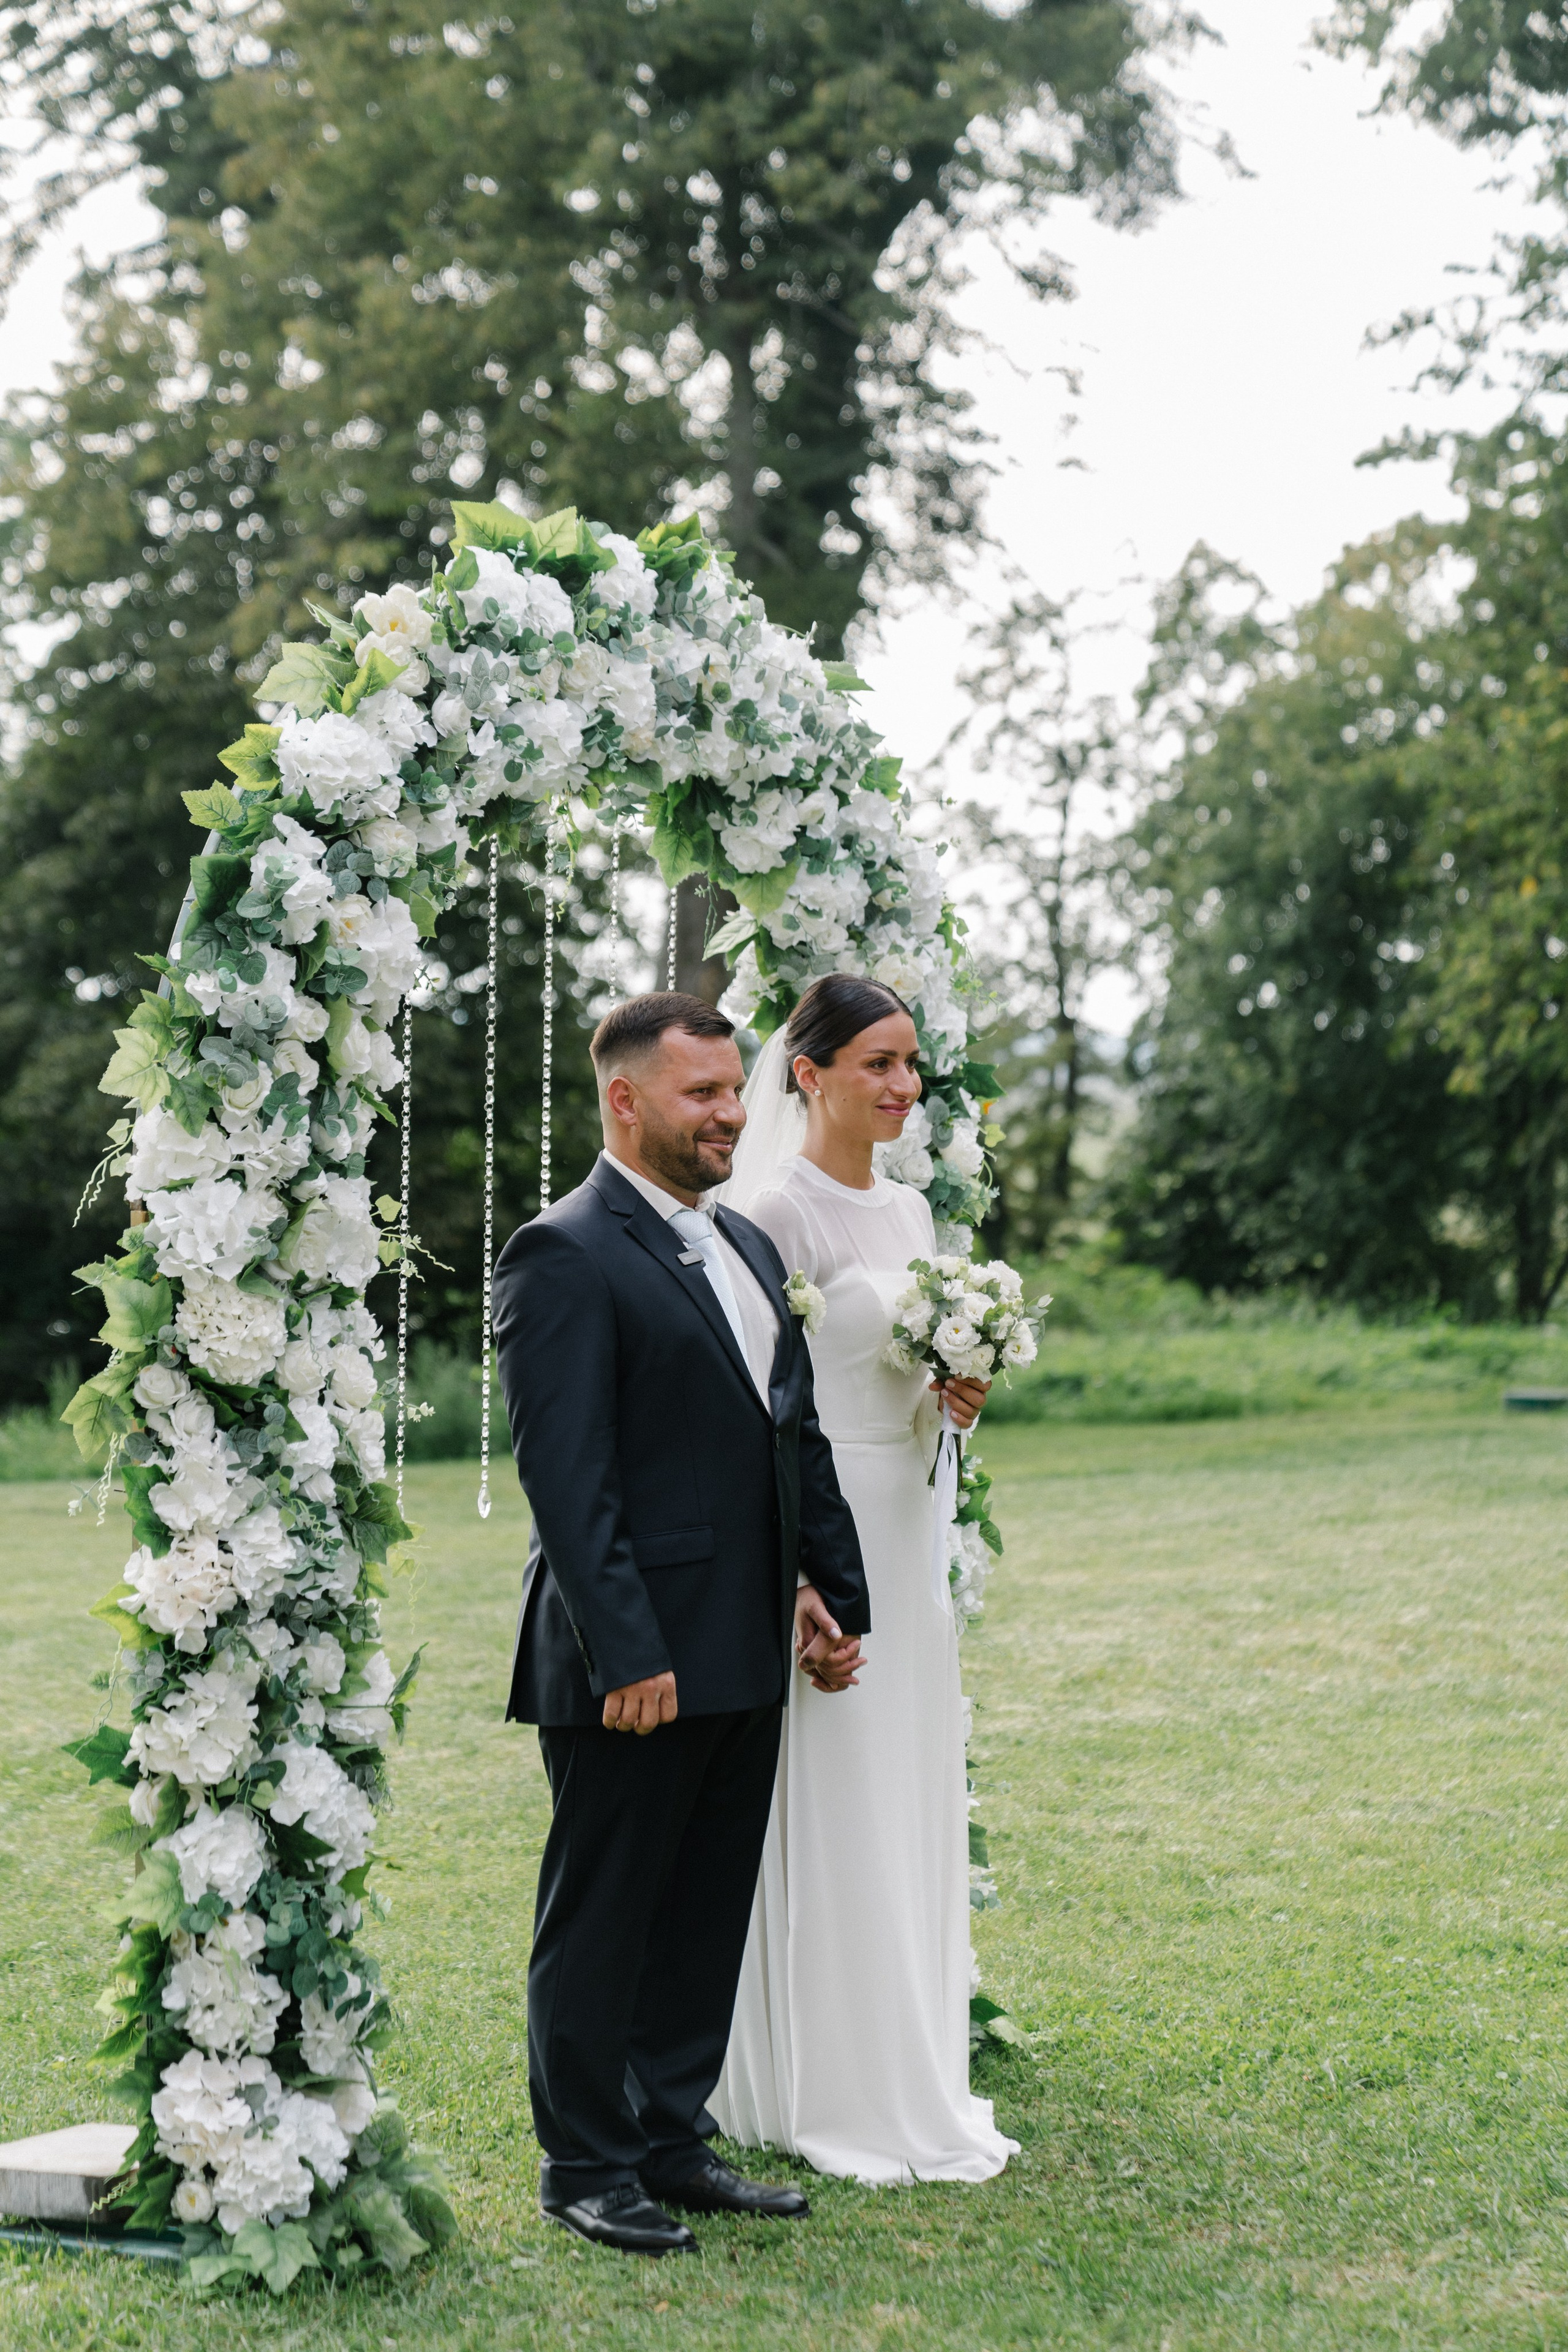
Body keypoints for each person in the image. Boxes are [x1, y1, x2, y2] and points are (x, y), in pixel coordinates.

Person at [491, 991, 872, 2256]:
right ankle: (584, 2165)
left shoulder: (746, 1247)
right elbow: (568, 1476)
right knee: (606, 1915)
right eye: (701, 1095)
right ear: (624, 1099)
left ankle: (668, 2138)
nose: (729, 1115)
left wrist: (820, 1590)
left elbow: (786, 1433)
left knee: (705, 1905)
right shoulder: (561, 1251)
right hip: (631, 1657)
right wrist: (627, 1649)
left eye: (732, 1091)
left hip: (743, 1638)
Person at [710, 973, 1017, 2184]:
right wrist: (789, 1563)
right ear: (809, 1073)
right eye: (877, 1064)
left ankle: (907, 2044)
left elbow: (912, 1372)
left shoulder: (908, 1213)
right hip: (816, 1524)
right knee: (820, 1774)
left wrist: (961, 1395)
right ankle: (809, 2071)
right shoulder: (772, 1212)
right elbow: (750, 1403)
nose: (901, 1087)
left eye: (909, 1065)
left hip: (910, 1509)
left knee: (899, 1764)